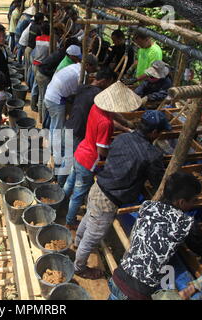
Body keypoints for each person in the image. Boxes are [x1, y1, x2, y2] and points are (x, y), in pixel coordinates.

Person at [74, 110, 172, 279]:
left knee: (89, 218)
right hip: (108, 200)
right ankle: (79, 268)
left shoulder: (122, 138)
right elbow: (158, 182)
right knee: (93, 236)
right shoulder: (152, 154)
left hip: (98, 187)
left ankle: (77, 243)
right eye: (160, 132)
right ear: (155, 132)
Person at [108, 171, 202, 300]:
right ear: (181, 202)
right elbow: (201, 249)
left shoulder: (148, 205)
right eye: (194, 200)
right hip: (137, 293)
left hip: (118, 277)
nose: (195, 204)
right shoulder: (186, 224)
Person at [63, 82, 138, 230]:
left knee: (70, 181)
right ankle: (70, 220)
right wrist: (117, 153)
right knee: (78, 193)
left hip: (80, 150)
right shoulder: (106, 123)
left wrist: (125, 126)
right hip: (88, 160)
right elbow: (101, 150)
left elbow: (113, 116)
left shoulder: (96, 107)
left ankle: (60, 203)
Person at [59, 68, 118, 186]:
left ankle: (60, 183)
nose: (109, 87)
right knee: (70, 162)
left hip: (69, 125)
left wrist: (125, 124)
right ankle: (61, 186)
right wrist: (125, 125)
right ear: (105, 81)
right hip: (77, 132)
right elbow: (108, 115)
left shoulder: (82, 87)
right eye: (110, 83)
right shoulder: (98, 97)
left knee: (66, 159)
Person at [44, 54, 98, 170]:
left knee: (54, 125)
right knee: (57, 127)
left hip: (50, 94)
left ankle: (52, 149)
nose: (95, 70)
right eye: (94, 67)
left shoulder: (75, 66)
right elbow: (78, 94)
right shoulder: (81, 75)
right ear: (88, 65)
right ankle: (55, 153)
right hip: (56, 99)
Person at [36, 37, 81, 122]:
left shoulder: (63, 52)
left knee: (42, 97)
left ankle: (42, 120)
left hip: (42, 72)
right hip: (44, 75)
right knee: (44, 100)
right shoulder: (65, 59)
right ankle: (43, 120)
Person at [30, 21, 50, 113]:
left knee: (35, 85)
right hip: (41, 66)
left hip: (35, 63)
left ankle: (33, 104)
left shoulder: (38, 38)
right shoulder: (50, 40)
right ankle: (40, 111)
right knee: (42, 92)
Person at [25, 12, 44, 89]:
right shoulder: (39, 28)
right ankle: (30, 86)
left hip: (28, 48)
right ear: (40, 20)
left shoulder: (32, 25)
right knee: (33, 71)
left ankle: (27, 84)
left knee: (28, 68)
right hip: (33, 50)